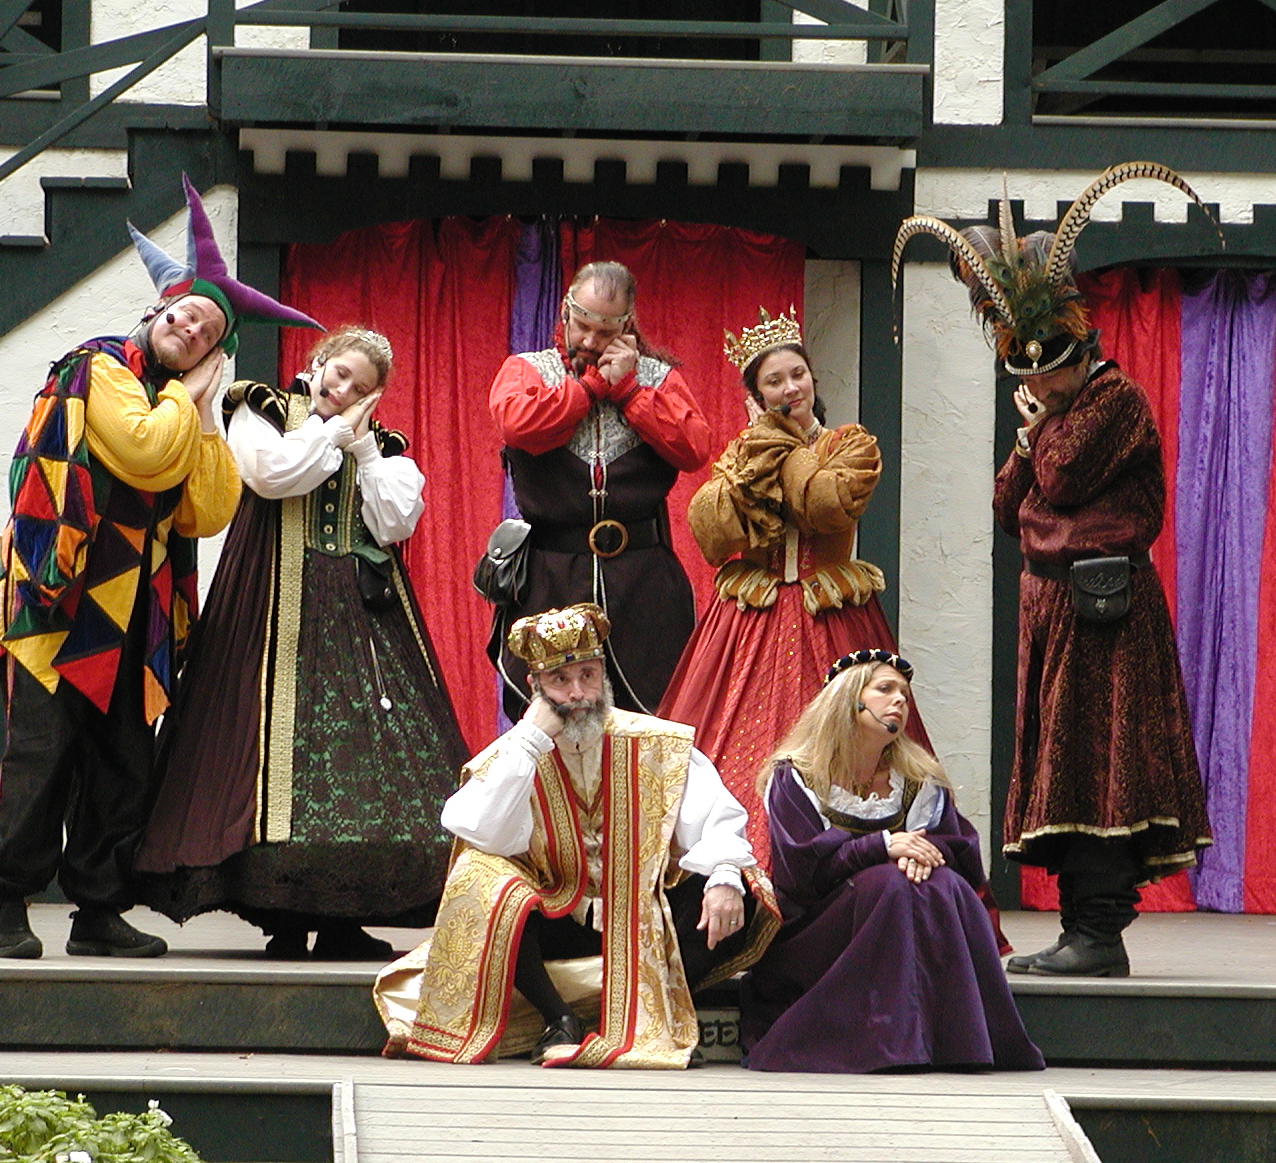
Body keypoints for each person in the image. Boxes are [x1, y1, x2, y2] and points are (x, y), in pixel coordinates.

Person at [0, 175, 321, 959]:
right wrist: (189, 401)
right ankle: (7, 902)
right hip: (59, 597)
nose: (189, 330)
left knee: (124, 766)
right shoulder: (102, 367)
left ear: (214, 354)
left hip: (137, 613)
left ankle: (97, 911)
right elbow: (145, 450)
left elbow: (208, 508)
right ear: (158, 311)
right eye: (184, 316)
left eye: (206, 333)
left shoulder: (182, 406)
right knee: (41, 758)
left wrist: (205, 410)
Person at [893, 162, 1213, 977]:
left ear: (1078, 356)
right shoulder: (1055, 416)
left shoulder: (1116, 401)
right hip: (1054, 613)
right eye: (1025, 376)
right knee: (1063, 771)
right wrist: (1028, 441)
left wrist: (1036, 434)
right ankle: (1080, 930)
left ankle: (1099, 935)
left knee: (1102, 768)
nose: (1035, 387)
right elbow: (1009, 507)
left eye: (1045, 372)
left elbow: (1062, 480)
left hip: (1106, 615)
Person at [135, 325, 468, 959]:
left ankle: (342, 919)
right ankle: (281, 916)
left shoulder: (383, 448)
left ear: (374, 398)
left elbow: (393, 522)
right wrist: (331, 435)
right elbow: (269, 475)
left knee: (352, 760)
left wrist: (362, 448)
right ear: (319, 362)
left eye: (360, 388)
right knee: (263, 750)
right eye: (340, 373)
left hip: (359, 619)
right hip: (269, 602)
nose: (344, 390)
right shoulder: (261, 409)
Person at [373, 603, 779, 1068]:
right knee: (477, 874)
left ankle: (635, 1012)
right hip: (558, 919)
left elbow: (718, 822)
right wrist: (530, 742)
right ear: (535, 687)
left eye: (588, 675)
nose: (578, 693)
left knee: (743, 887)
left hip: (647, 921)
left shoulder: (657, 743)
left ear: (604, 674)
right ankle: (559, 1017)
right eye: (560, 680)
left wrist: (723, 876)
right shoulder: (514, 753)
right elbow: (481, 832)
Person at [659, 306, 924, 871]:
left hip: (830, 616)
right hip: (749, 620)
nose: (790, 389)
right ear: (756, 396)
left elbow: (823, 506)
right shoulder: (743, 455)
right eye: (774, 381)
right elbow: (712, 531)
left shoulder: (851, 446)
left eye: (797, 375)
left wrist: (781, 444)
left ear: (813, 379)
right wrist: (758, 449)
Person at [740, 650, 1044, 1073]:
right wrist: (882, 847)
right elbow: (801, 873)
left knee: (940, 884)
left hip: (899, 901)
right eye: (885, 689)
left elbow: (958, 850)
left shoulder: (918, 779)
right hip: (817, 928)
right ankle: (885, 1042)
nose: (900, 700)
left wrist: (921, 854)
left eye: (904, 693)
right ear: (848, 700)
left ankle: (956, 1043)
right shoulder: (797, 776)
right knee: (889, 884)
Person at [488, 261, 713, 717]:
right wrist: (590, 388)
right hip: (550, 581)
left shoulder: (658, 379)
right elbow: (518, 425)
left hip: (643, 586)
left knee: (649, 718)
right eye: (582, 326)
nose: (590, 342)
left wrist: (629, 391)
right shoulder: (526, 370)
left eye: (605, 332)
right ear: (565, 312)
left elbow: (694, 448)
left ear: (627, 326)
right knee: (549, 718)